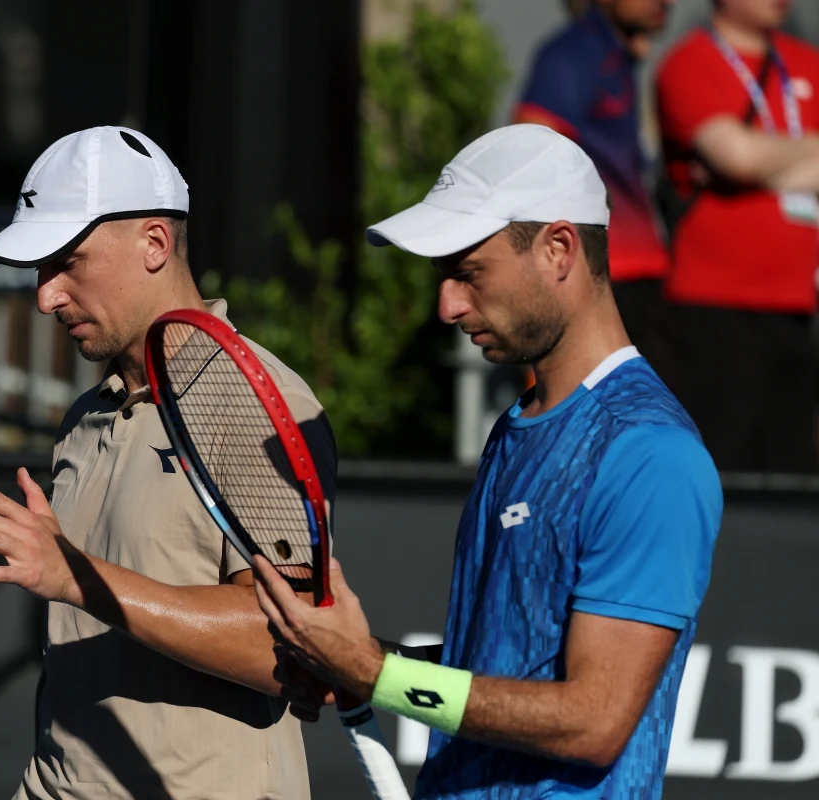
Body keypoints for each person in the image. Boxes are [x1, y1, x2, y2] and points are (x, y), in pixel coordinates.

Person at [253, 124, 723, 799]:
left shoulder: (653, 455)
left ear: (558, 250)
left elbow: (594, 722)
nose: (447, 304)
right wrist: (370, 660)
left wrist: (378, 676)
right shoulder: (516, 428)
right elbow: (505, 668)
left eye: (469, 273)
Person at [0, 126, 336, 800]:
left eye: (68, 260)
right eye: (39, 268)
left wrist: (77, 576)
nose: (45, 296)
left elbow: (288, 647)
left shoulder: (252, 402)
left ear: (155, 243)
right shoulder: (84, 417)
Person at [655, 0, 819, 472]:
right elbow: (736, 156)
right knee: (718, 469)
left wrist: (761, 161)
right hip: (714, 307)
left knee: (790, 478)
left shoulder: (806, 62)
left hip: (796, 307)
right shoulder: (691, 61)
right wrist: (800, 152)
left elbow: (745, 159)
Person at [514, 0, 676, 363]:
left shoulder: (613, 54)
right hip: (605, 275)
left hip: (635, 274)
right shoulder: (575, 51)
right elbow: (530, 148)